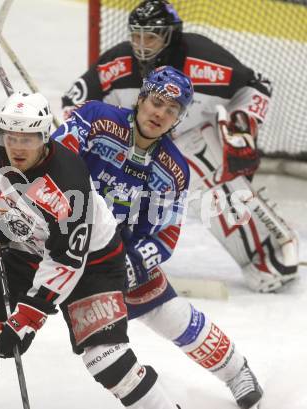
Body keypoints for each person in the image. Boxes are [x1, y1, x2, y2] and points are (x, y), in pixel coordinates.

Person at [0, 68, 262, 409]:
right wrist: (8, 169)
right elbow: (56, 150)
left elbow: (165, 233)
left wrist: (134, 263)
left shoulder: (173, 170)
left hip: (105, 252)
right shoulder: (97, 118)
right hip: (29, 228)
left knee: (168, 316)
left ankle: (236, 371)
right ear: (141, 98)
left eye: (172, 110)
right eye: (156, 102)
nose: (160, 113)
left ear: (179, 119)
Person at [61, 0, 299, 294]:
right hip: (127, 152)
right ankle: (105, 250)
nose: (142, 46)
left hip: (185, 150)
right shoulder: (118, 63)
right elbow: (73, 105)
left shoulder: (206, 60)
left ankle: (263, 250)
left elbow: (256, 86)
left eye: (151, 36)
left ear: (171, 35)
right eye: (136, 35)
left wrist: (241, 129)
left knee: (197, 159)